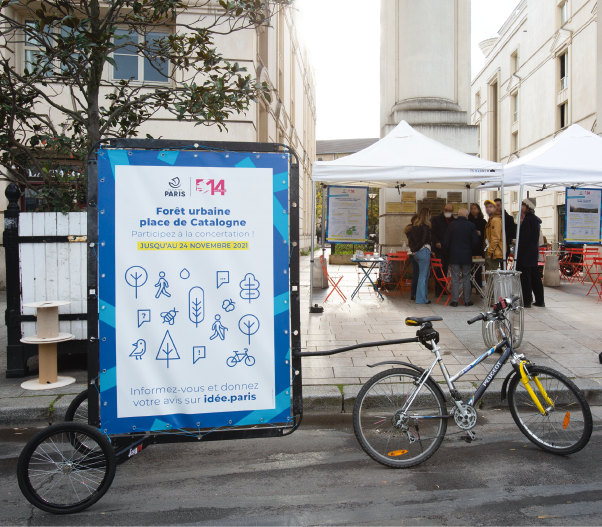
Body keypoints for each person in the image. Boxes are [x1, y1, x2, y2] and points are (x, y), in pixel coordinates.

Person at [443, 208, 479, 307]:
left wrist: (448, 252)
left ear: (458, 215)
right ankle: (467, 301)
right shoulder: (471, 225)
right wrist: (470, 249)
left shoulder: (451, 225)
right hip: (466, 255)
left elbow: (446, 241)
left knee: (454, 278)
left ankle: (455, 301)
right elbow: (475, 241)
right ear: (467, 215)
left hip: (454, 255)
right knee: (466, 278)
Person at [516, 199, 545, 308]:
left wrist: (519, 248)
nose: (521, 207)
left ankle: (527, 300)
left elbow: (524, 237)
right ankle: (540, 300)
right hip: (532, 253)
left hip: (525, 254)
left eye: (523, 205)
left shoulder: (528, 220)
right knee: (535, 277)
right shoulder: (535, 220)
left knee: (526, 278)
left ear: (528, 206)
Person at [408, 207, 432, 304]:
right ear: (427, 216)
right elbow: (423, 241)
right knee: (423, 276)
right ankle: (421, 299)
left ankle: (421, 297)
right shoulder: (425, 227)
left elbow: (410, 241)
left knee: (423, 275)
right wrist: (416, 248)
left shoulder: (414, 226)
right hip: (424, 251)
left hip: (416, 254)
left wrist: (413, 249)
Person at [431, 203, 456, 294]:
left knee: (446, 268)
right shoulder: (436, 219)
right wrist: (436, 242)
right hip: (439, 248)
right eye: (446, 210)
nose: (447, 212)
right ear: (443, 209)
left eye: (450, 211)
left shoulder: (454, 220)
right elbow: (432, 233)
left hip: (449, 248)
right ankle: (439, 289)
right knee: (440, 268)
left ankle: (444, 288)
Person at [468, 203, 487, 289]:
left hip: (479, 247)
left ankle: (478, 287)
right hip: (470, 247)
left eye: (475, 208)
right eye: (471, 208)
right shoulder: (468, 221)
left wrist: (479, 233)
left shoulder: (483, 221)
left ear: (478, 210)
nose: (473, 210)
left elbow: (486, 234)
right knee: (470, 268)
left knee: (478, 269)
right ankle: (470, 286)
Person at [484, 200, 503, 271]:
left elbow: (495, 238)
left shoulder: (495, 220)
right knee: (489, 275)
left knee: (491, 275)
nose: (488, 208)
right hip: (491, 250)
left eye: (490, 207)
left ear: (495, 208)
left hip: (493, 252)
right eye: (486, 207)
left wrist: (490, 252)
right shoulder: (492, 219)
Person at [404, 215, 420, 300]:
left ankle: (414, 293)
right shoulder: (413, 231)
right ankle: (415, 293)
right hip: (415, 253)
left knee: (416, 274)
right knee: (417, 274)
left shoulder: (410, 230)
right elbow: (413, 244)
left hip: (413, 253)